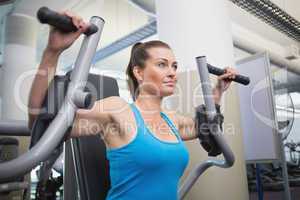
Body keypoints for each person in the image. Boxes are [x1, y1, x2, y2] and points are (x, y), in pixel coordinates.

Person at [28, 12, 237, 200]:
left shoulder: (172, 120)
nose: (173, 72)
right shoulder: (118, 111)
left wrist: (217, 92)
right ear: (139, 73)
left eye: (174, 66)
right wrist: (52, 52)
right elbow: (43, 124)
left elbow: (210, 133)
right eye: (162, 64)